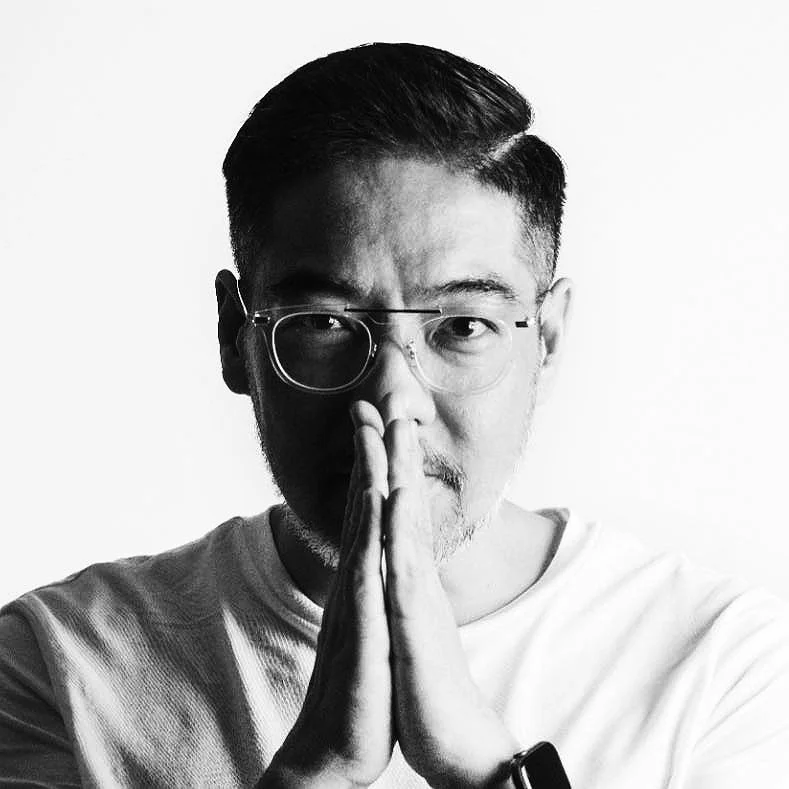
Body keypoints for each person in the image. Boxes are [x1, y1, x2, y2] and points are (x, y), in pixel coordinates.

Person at [1, 42, 788, 789]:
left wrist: (489, 768)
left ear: (544, 337)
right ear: (234, 337)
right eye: (322, 324)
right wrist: (317, 769)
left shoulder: (721, 665)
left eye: (461, 327)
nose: (391, 400)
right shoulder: (56, 663)